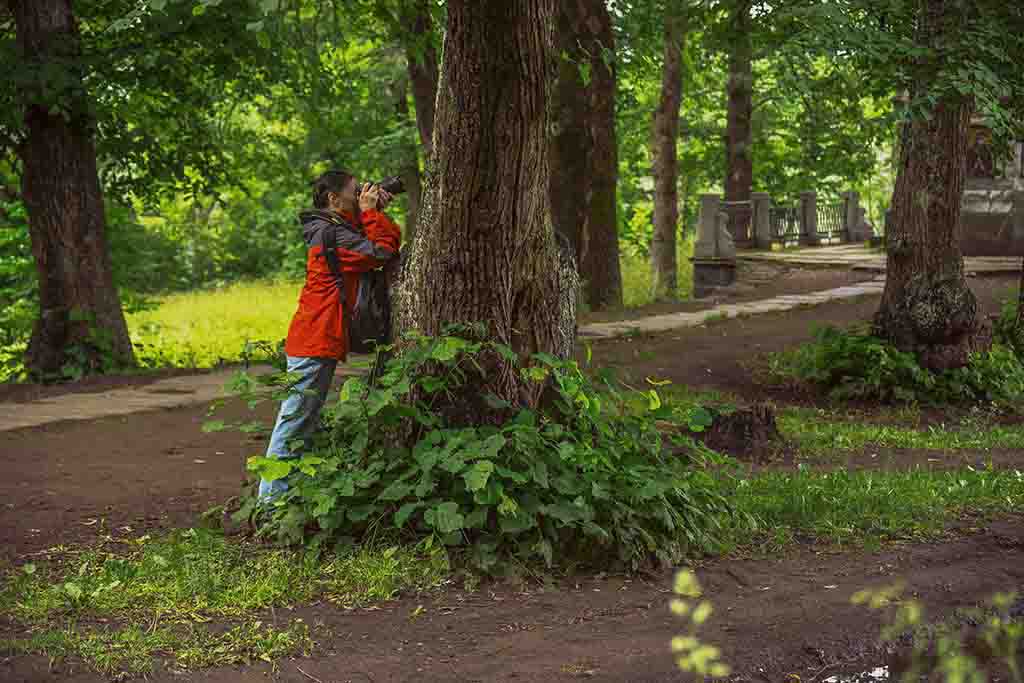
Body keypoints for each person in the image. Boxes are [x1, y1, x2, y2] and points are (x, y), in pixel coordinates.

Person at [259, 170, 401, 500]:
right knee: (294, 420)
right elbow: (380, 252)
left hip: (316, 337)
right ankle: (270, 503)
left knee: (303, 420)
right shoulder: (333, 235)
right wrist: (369, 214)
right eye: (355, 192)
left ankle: (283, 496)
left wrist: (374, 212)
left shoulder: (337, 229)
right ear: (333, 199)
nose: (360, 195)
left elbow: (388, 239)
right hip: (314, 338)